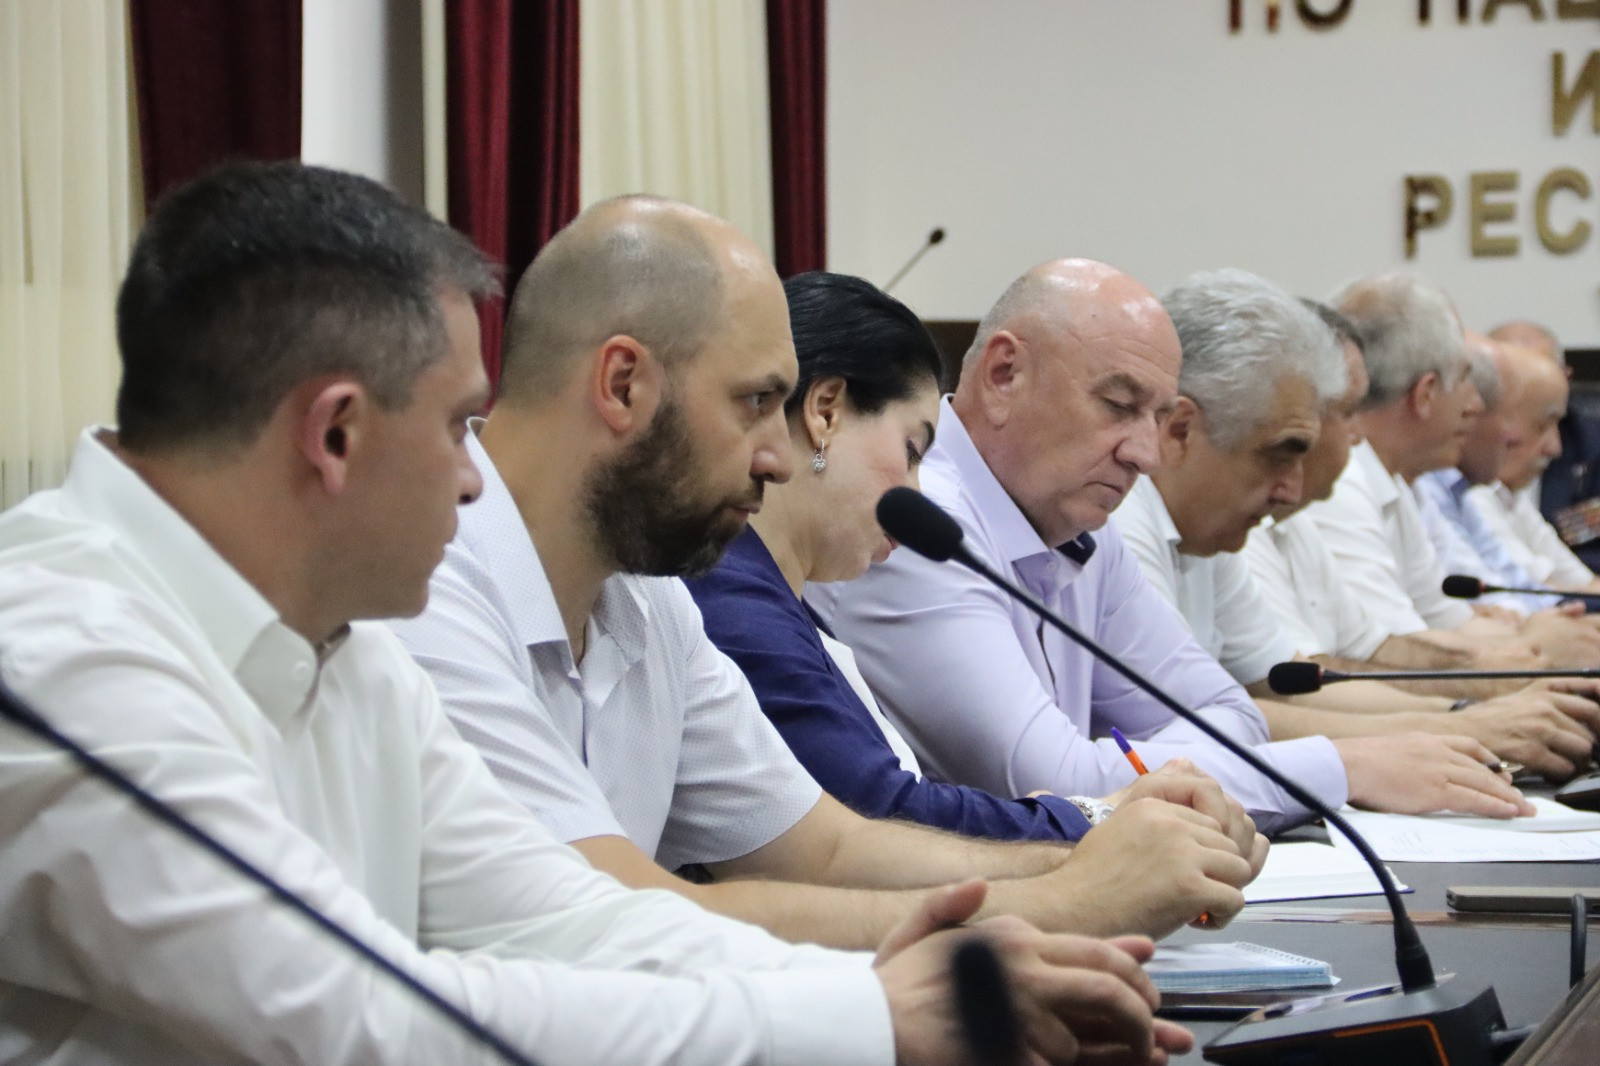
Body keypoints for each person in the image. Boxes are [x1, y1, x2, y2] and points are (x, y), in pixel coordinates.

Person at [0, 162, 1188, 1066]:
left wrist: (905, 981)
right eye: (457, 425)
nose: (473, 478)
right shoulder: (62, 654)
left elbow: (564, 920)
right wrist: (869, 1016)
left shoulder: (348, 653)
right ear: (337, 433)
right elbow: (356, 1015)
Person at [390, 197, 1259, 946]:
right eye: (755, 403)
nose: (779, 457)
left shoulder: (653, 601)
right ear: (623, 386)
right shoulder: (426, 592)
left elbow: (827, 847)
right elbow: (610, 912)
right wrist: (1075, 897)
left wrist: (1101, 847)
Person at [809, 259, 1514, 835]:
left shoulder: (1083, 524)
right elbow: (1049, 780)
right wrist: (1340, 768)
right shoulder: (917, 521)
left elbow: (1232, 719)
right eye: (1119, 406)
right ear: (1003, 375)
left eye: (1157, 415)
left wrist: (1120, 765)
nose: (1146, 453)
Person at [682, 271, 1267, 874]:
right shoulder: (732, 596)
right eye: (913, 451)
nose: (916, 491)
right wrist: (1101, 819)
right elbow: (878, 817)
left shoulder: (777, 598)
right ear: (825, 412)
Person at [1115, 270, 1595, 786]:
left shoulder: (1211, 529)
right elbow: (1190, 728)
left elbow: (1278, 683)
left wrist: (1465, 714)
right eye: (1282, 451)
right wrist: (1462, 721)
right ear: (1181, 431)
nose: (1291, 489)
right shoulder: (1124, 523)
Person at [1302, 274, 1600, 668]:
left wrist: (1545, 637)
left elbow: (1448, 619)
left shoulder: (1395, 482)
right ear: (1425, 394)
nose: (1476, 404)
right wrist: (1537, 648)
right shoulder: (1344, 485)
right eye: (1464, 380)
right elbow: (1394, 654)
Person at [1468, 341, 1600, 595]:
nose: (1555, 448)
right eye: (1541, 426)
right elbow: (1531, 592)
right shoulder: (1465, 492)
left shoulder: (1507, 494)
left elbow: (1579, 582)